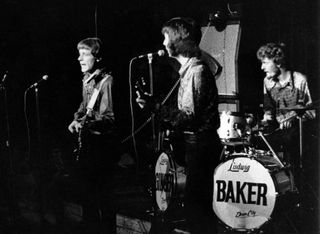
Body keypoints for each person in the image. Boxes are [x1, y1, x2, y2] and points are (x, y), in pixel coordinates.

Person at [137, 17, 222, 234]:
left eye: (166, 37)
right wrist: (154, 104)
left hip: (201, 144)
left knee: (198, 209)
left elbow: (188, 116)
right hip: (196, 143)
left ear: (178, 40)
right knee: (196, 207)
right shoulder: (189, 70)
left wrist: (155, 106)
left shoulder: (196, 71)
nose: (163, 43)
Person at [67, 37, 119, 233]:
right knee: (87, 197)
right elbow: (84, 107)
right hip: (89, 145)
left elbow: (108, 118)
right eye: (79, 53)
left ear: (97, 57)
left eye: (85, 54)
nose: (79, 58)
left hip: (102, 147)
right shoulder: (87, 79)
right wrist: (76, 118)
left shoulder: (106, 81)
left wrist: (84, 123)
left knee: (104, 199)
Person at [256, 42, 315, 184]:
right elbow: (268, 110)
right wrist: (263, 121)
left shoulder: (300, 80)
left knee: (291, 139)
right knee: (255, 141)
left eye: (265, 63)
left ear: (278, 62)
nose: (261, 67)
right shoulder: (267, 82)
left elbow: (312, 112)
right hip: (279, 130)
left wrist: (294, 118)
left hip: (301, 133)